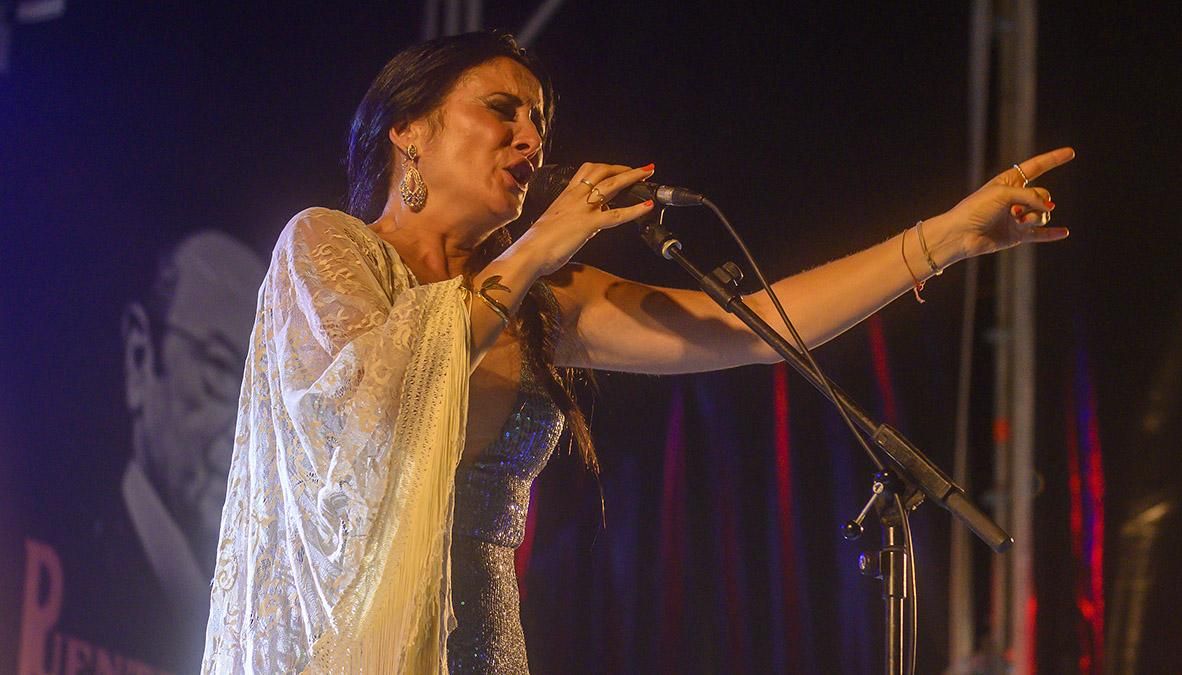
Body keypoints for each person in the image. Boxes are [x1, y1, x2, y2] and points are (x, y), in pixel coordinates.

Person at [202, 30, 1073, 673]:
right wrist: (542, 242)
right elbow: (374, 399)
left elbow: (754, 328)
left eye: (537, 123)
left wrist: (944, 239)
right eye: (501, 110)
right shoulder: (326, 248)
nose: (531, 140)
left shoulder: (545, 301)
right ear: (408, 130)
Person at [100, 230, 264, 669]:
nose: (239, 426)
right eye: (218, 370)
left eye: (259, 394)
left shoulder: (259, 609)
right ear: (139, 356)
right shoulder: (73, 561)